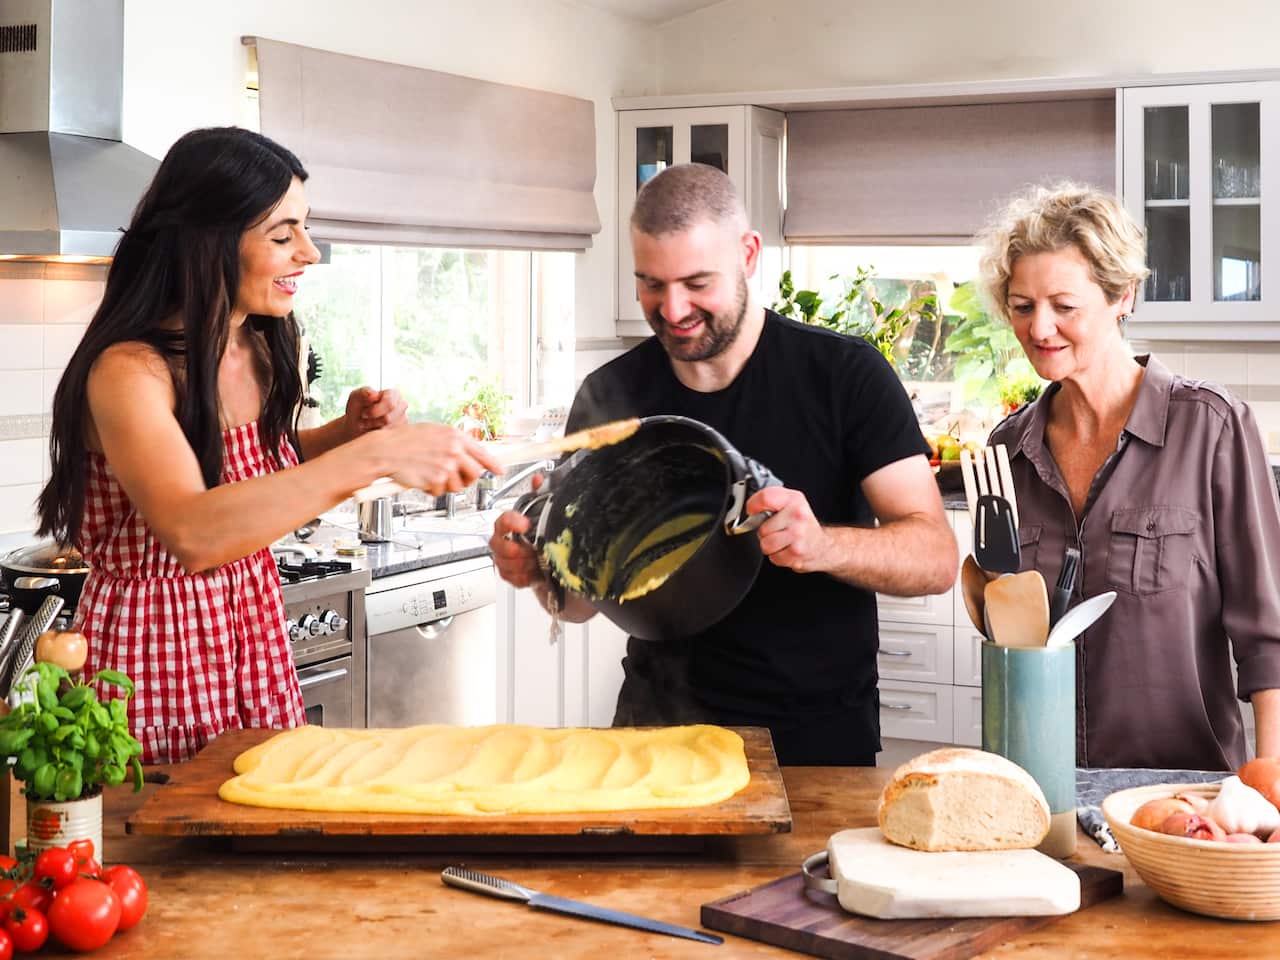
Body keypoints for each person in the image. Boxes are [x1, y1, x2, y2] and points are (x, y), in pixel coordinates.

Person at [36, 127, 501, 764]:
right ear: (210, 242)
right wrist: (369, 459)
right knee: (171, 850)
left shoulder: (258, 343)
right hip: (153, 649)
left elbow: (250, 476)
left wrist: (342, 435)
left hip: (250, 631)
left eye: (304, 230)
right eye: (282, 236)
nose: (308, 252)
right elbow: (195, 532)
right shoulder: (129, 371)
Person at [490, 163, 957, 766]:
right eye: (651, 284)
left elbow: (936, 559)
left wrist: (823, 547)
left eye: (696, 282)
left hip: (815, 743)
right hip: (654, 739)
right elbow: (581, 602)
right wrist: (537, 569)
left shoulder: (844, 376)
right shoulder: (611, 399)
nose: (673, 308)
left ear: (749, 254)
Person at [979, 182, 1280, 770]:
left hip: (1180, 791)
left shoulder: (1211, 429)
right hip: (1040, 786)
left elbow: (1268, 634)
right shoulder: (1007, 452)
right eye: (1022, 306)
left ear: (1123, 296)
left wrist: (1271, 785)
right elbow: (1009, 641)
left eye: (1064, 306)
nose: (1040, 329)